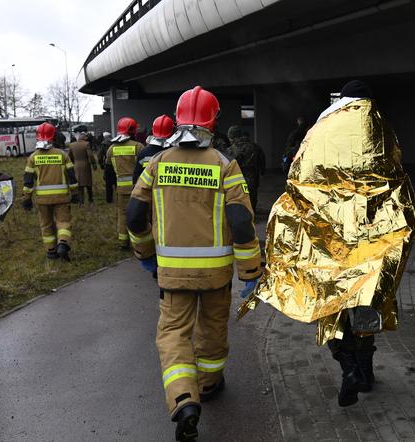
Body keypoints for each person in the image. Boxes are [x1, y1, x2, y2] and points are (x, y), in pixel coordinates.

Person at [240, 80, 415, 407]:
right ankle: (364, 373)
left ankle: (348, 366)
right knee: (366, 299)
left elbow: (298, 176)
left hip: (331, 235)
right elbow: (395, 175)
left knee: (331, 302)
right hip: (372, 233)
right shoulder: (380, 128)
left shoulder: (321, 129)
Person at [126, 86, 262, 442]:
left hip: (172, 275)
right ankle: (210, 383)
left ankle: (184, 399)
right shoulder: (224, 165)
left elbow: (135, 214)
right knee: (213, 329)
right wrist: (250, 271)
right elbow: (242, 222)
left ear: (179, 117)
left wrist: (145, 255)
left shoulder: (156, 164)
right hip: (216, 275)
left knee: (173, 335)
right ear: (213, 121)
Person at [22, 122, 79, 261]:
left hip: (42, 200)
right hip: (62, 198)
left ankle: (51, 252)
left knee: (46, 225)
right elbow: (71, 176)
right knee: (63, 222)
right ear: (54, 136)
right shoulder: (62, 155)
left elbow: (28, 181)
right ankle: (63, 243)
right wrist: (75, 193)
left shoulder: (33, 157)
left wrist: (27, 198)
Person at [104, 117, 144, 249]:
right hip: (137, 188)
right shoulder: (138, 147)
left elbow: (108, 172)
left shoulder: (111, 149)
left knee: (122, 214)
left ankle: (123, 242)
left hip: (121, 189)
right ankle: (138, 242)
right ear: (132, 130)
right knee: (138, 214)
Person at [227, 126, 265, 213]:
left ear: (232, 136)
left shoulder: (230, 149)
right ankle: (252, 213)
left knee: (238, 196)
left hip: (235, 177)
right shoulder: (254, 146)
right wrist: (262, 171)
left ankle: (241, 215)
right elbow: (262, 159)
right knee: (252, 195)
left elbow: (227, 164)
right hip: (252, 176)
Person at [132, 115, 174, 184]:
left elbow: (137, 177)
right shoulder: (175, 153)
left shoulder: (143, 153)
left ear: (153, 130)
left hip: (147, 192)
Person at [68, 132, 97, 205]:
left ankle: (81, 201)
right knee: (88, 183)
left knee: (79, 184)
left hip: (76, 165)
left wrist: (72, 163)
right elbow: (90, 155)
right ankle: (90, 200)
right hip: (85, 165)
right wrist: (93, 164)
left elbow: (69, 156)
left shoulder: (72, 145)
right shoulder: (86, 144)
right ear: (84, 138)